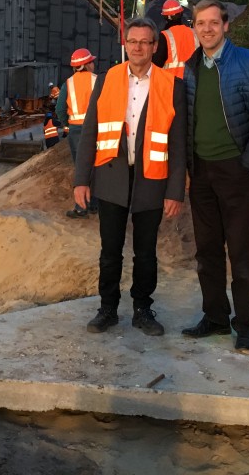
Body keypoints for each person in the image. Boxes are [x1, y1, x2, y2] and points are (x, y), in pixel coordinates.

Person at [73, 17, 187, 337]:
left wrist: (175, 190)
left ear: (154, 46)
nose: (138, 47)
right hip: (111, 179)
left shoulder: (171, 85)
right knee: (110, 251)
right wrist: (81, 179)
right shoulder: (107, 79)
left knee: (146, 252)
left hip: (152, 179)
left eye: (145, 42)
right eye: (133, 41)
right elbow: (90, 132)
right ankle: (108, 308)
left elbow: (179, 144)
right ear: (126, 44)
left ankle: (143, 309)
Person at [180, 0, 249, 355]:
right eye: (199, 23)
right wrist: (188, 169)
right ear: (193, 27)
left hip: (235, 171)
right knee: (207, 251)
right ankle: (216, 317)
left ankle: (245, 326)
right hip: (202, 172)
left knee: (240, 251)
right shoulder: (190, 67)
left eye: (212, 22)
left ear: (226, 25)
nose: (206, 28)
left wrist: (246, 163)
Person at [56, 47, 98, 218]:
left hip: (76, 131)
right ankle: (94, 204)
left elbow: (60, 109)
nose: (94, 64)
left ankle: (81, 207)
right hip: (95, 129)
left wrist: (67, 124)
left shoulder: (68, 84)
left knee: (81, 168)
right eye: (92, 61)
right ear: (87, 64)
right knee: (96, 167)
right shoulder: (98, 81)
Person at [152, 0, 198, 78]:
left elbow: (157, 63)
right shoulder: (195, 33)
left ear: (165, 17)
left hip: (172, 83)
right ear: (181, 13)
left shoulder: (164, 36)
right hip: (194, 82)